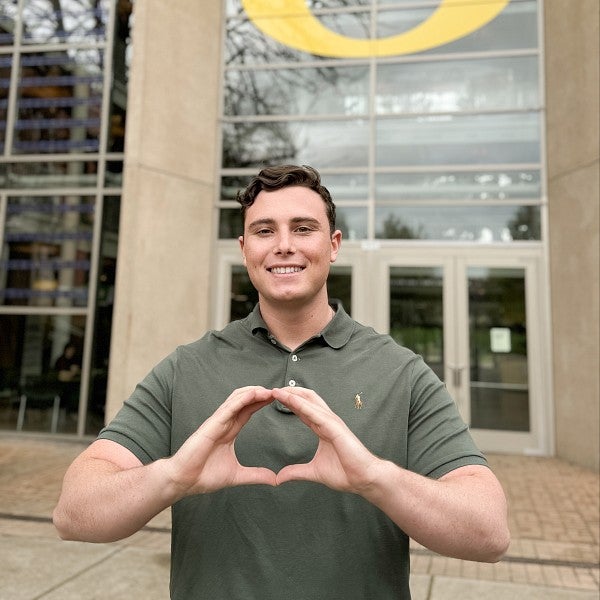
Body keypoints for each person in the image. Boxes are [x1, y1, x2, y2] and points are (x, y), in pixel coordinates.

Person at [53, 164, 510, 599]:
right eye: (264, 230)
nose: (284, 245)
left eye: (303, 228)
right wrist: (173, 477)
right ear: (244, 248)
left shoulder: (400, 372)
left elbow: (489, 533)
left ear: (333, 244)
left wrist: (374, 478)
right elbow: (74, 514)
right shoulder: (185, 368)